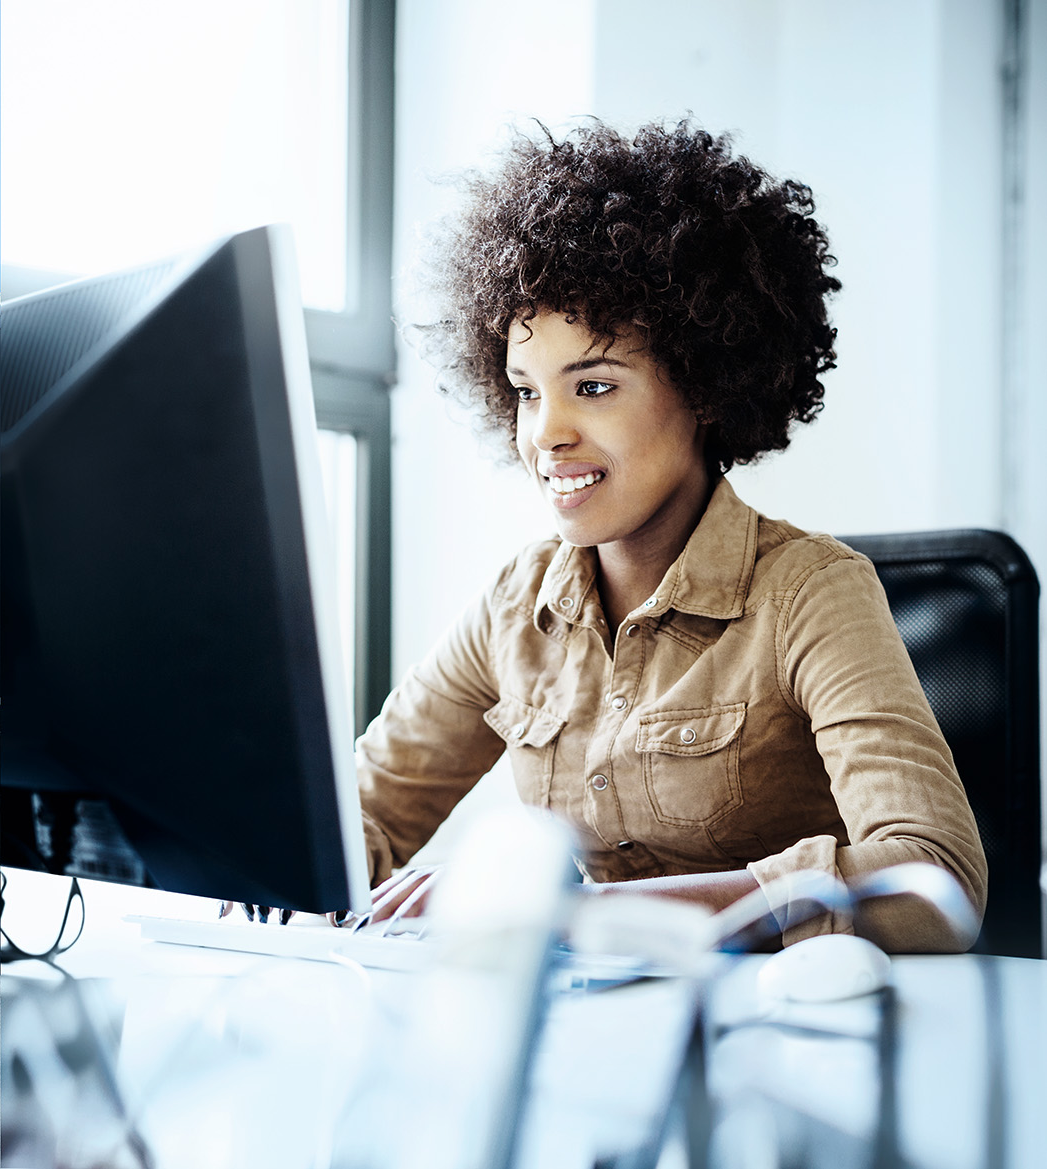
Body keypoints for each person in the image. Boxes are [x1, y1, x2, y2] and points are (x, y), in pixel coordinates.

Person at [353, 120, 986, 952]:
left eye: (594, 384)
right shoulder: (518, 605)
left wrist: (574, 914)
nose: (546, 433)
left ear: (707, 386)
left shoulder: (811, 593)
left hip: (786, 1045)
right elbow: (359, 814)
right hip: (598, 1040)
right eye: (526, 391)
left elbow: (932, 879)